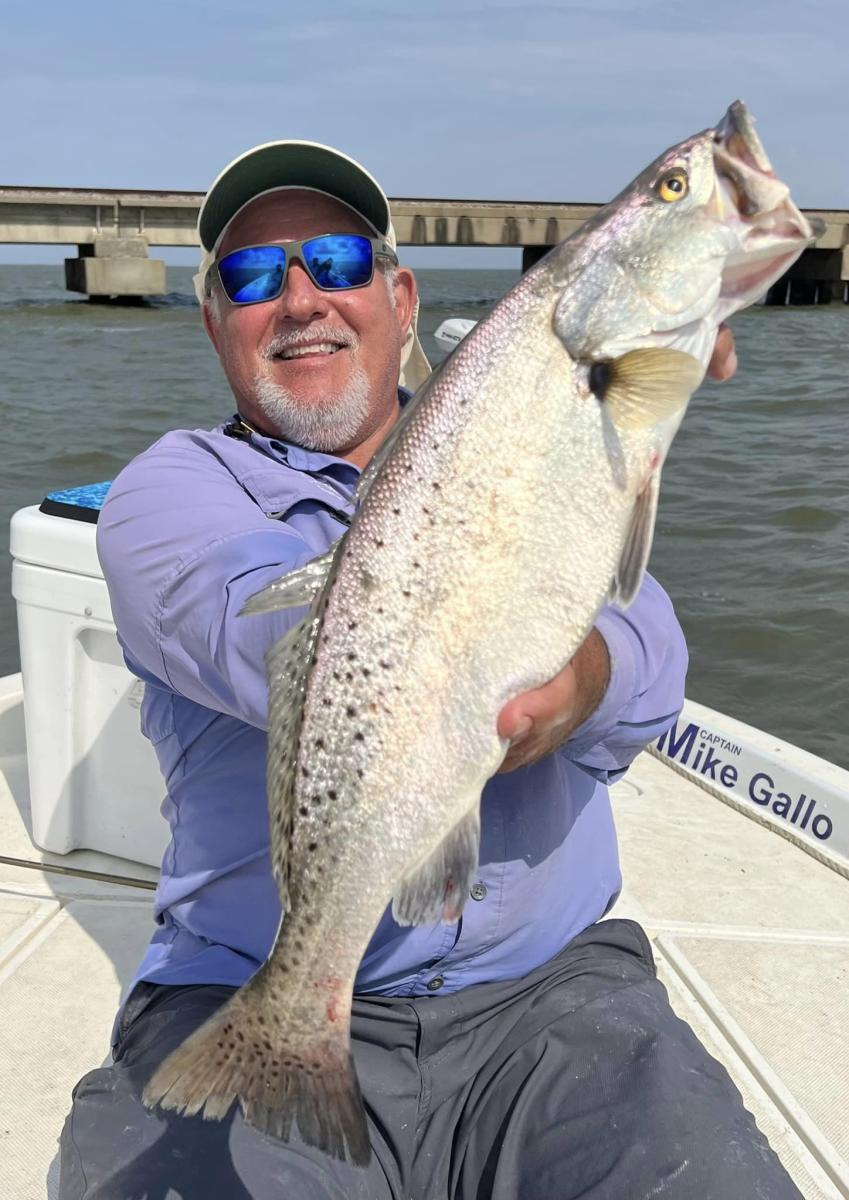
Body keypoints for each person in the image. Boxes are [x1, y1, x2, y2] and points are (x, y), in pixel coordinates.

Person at [58, 141, 800, 1200]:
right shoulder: (166, 495)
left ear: (401, 297)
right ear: (216, 323)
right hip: (245, 989)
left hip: (550, 998)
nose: (301, 299)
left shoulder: (521, 433)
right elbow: (272, 641)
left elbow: (652, 658)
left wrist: (582, 673)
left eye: (337, 262)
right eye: (254, 278)